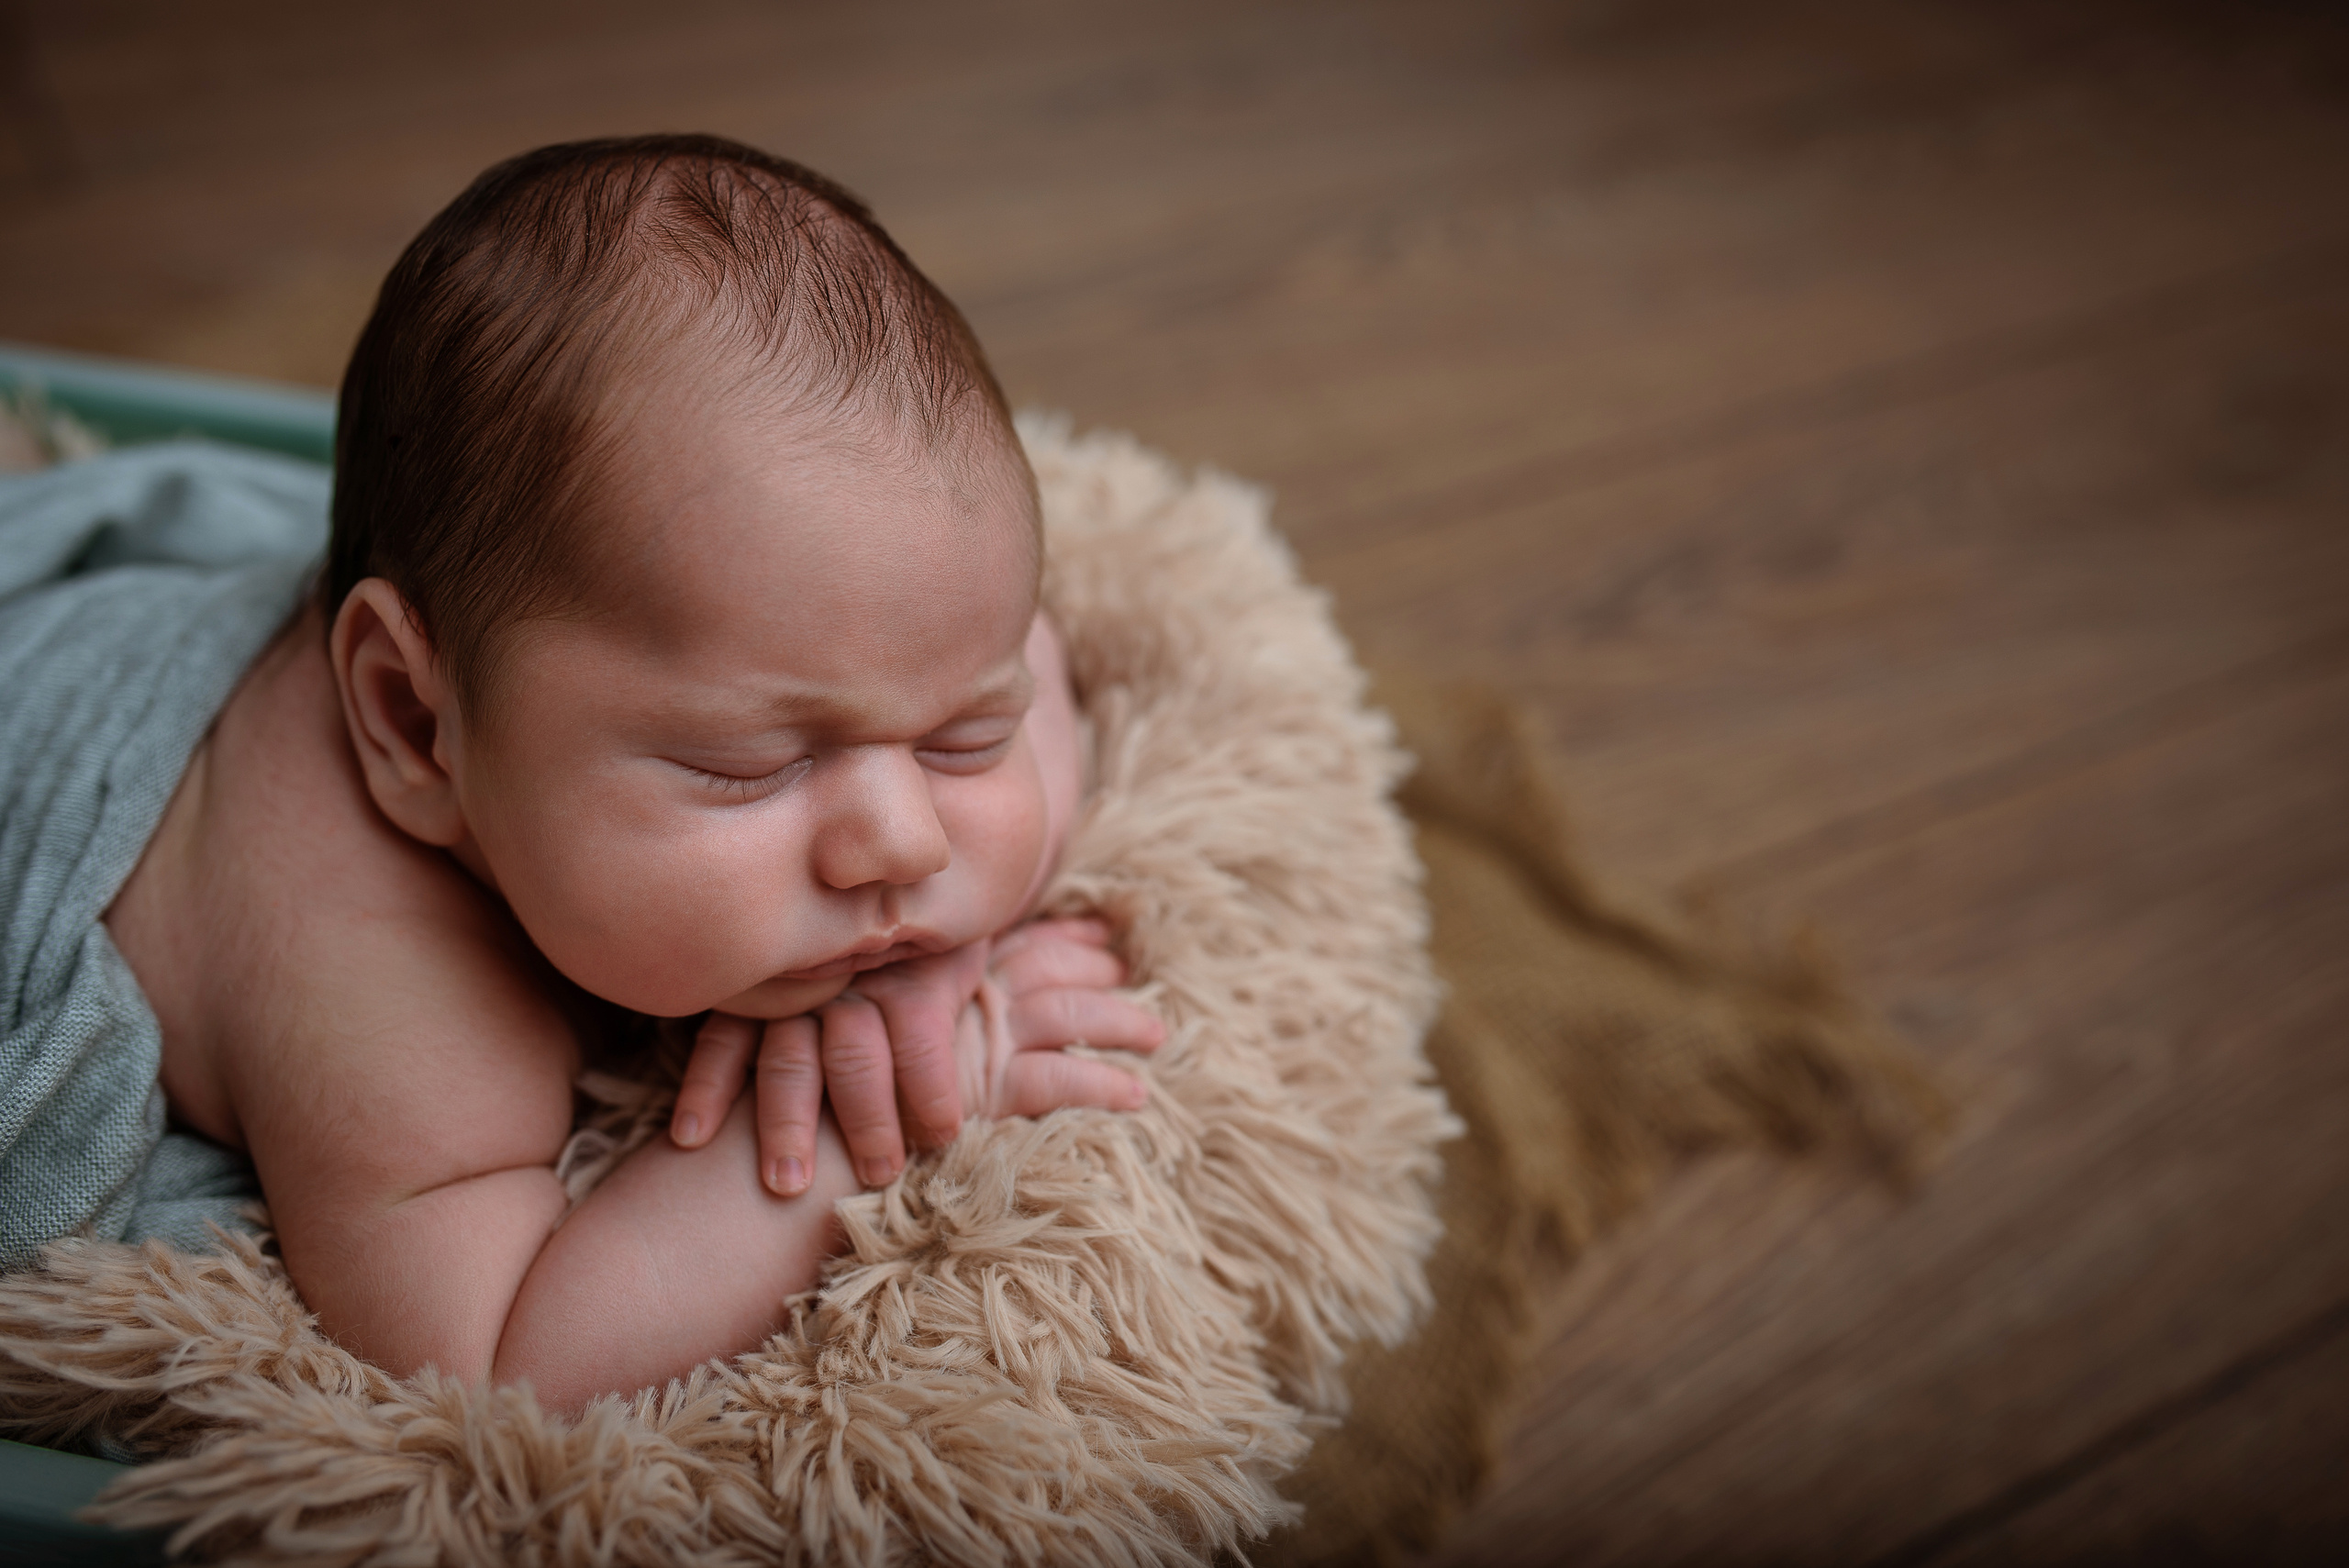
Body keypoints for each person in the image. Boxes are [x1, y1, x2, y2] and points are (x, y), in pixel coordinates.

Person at [6, 135, 1164, 1415]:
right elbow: (497, 1357)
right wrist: (846, 1124)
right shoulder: (370, 971)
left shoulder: (864, 653)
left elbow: (1031, 658)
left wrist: (925, 972)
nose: (903, 840)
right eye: (749, 764)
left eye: (963, 736)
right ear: (412, 721)